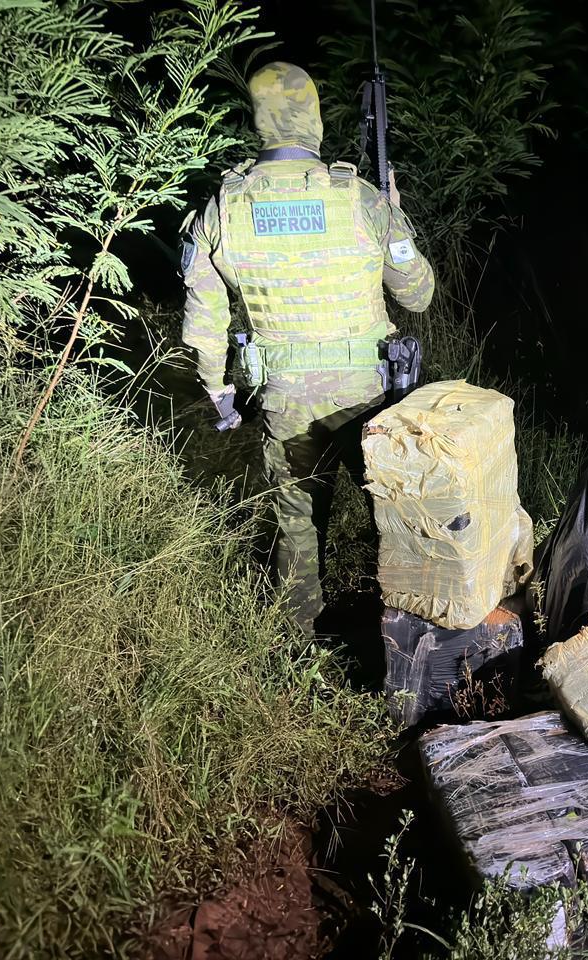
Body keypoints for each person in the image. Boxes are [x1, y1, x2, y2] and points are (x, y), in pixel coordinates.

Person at [181, 62, 434, 637]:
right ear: (315, 119)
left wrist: (219, 392)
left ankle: (298, 647)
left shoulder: (225, 206)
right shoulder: (361, 198)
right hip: (366, 398)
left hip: (284, 400)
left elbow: (204, 322)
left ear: (259, 120)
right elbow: (418, 295)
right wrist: (395, 214)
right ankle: (409, 638)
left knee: (296, 521)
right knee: (394, 518)